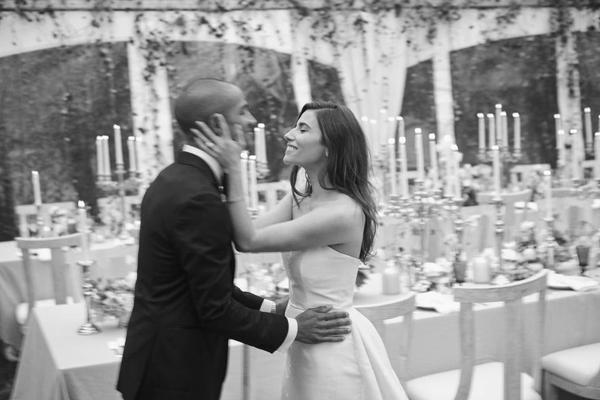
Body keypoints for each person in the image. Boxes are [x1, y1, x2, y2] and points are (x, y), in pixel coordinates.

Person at [116, 79, 352, 400]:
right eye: (242, 111)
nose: (251, 120)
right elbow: (214, 308)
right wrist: (297, 329)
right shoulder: (197, 196)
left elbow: (205, 286)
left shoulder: (176, 178)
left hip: (161, 359)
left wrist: (271, 308)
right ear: (218, 124)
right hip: (173, 371)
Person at [193, 101, 408, 399]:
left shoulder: (342, 213)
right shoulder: (300, 197)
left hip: (333, 347)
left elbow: (249, 240)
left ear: (330, 147)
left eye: (303, 129)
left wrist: (233, 169)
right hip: (304, 341)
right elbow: (238, 233)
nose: (288, 134)